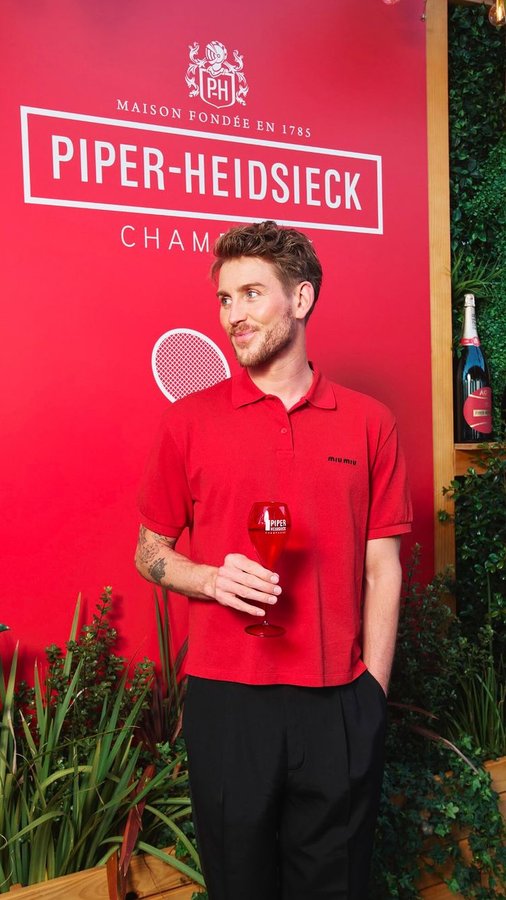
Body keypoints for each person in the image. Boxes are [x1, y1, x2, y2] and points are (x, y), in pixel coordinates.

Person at [135, 220, 412, 900]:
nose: (234, 315)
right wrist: (209, 578)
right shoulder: (189, 422)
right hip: (229, 704)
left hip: (337, 701)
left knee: (336, 887)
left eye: (252, 294)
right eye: (225, 299)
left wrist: (371, 691)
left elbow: (384, 566)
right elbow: (150, 553)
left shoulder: (369, 422)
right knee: (239, 888)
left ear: (301, 298)